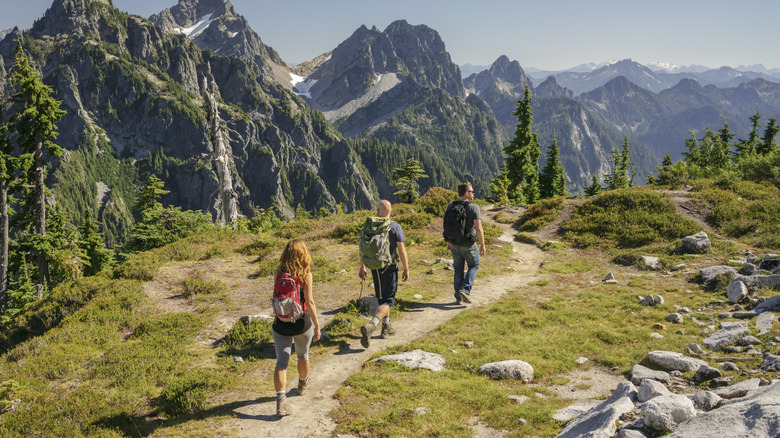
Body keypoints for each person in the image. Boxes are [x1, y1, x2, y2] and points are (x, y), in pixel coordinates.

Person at [271, 239, 321, 417]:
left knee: (281, 362)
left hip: (281, 324)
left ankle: (280, 401)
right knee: (303, 355)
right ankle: (302, 385)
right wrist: (316, 325)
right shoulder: (306, 274)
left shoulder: (278, 272)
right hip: (301, 324)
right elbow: (310, 302)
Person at [358, 200, 409, 348]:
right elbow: (402, 250)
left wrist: (362, 267)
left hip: (374, 266)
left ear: (378, 211)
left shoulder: (370, 226)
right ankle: (372, 325)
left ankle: (386, 328)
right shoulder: (395, 227)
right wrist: (406, 268)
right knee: (388, 300)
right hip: (389, 267)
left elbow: (362, 247)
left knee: (381, 298)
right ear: (390, 211)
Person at [445, 182, 485, 304]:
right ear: (467, 193)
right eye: (472, 191)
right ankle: (465, 290)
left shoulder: (451, 205)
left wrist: (448, 241)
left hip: (454, 243)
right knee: (474, 265)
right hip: (468, 244)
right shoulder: (473, 207)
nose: (473, 193)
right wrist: (483, 244)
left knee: (458, 269)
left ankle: (458, 298)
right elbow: (478, 228)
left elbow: (447, 225)